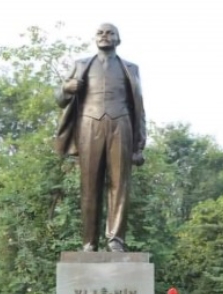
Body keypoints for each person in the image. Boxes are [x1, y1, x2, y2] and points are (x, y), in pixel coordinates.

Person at [56, 22, 146, 252]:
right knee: (89, 185)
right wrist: (66, 88)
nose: (105, 36)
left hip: (121, 124)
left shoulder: (131, 68)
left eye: (110, 33)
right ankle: (89, 242)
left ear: (118, 39)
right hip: (89, 125)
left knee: (120, 185)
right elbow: (60, 100)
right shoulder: (81, 65)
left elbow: (139, 107)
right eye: (100, 33)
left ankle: (116, 240)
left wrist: (139, 144)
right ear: (95, 38)